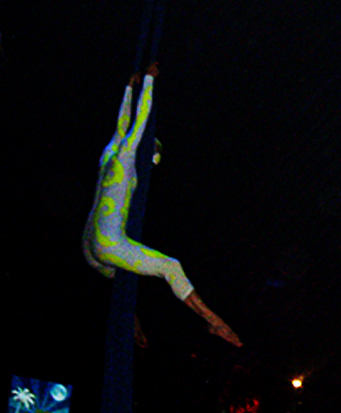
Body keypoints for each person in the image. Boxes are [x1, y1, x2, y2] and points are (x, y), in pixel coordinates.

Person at [83, 64, 242, 346]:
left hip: (88, 243)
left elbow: (121, 125)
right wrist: (148, 81)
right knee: (170, 266)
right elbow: (139, 123)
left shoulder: (109, 153)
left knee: (124, 276)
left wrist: (128, 88)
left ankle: (132, 321)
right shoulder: (128, 157)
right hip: (106, 243)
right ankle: (214, 321)